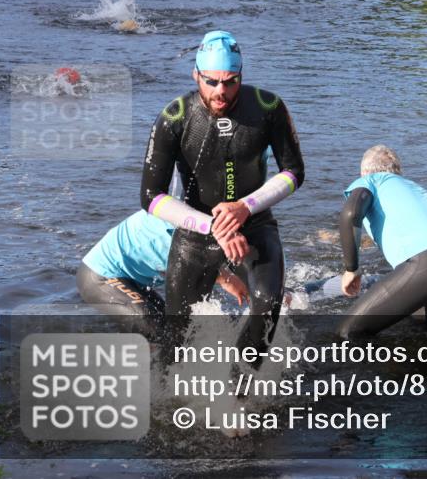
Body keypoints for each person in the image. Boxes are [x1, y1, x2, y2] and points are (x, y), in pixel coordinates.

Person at [140, 30, 305, 367]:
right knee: (177, 339)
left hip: (254, 224)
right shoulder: (175, 117)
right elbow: (150, 196)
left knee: (266, 304)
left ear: (241, 76)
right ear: (195, 75)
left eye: (230, 82)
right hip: (197, 233)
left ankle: (237, 395)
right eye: (211, 81)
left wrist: (245, 207)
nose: (220, 91)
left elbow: (294, 172)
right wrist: (212, 225)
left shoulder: (268, 107)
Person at [337, 145, 427, 337]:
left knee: (348, 332)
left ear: (363, 171)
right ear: (398, 171)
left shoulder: (371, 180)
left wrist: (351, 269)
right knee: (419, 332)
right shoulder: (412, 187)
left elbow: (350, 213)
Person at [77, 210, 249, 340]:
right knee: (158, 330)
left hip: (133, 280)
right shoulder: (180, 229)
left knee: (173, 330)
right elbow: (193, 263)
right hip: (100, 276)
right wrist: (226, 279)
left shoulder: (192, 218)